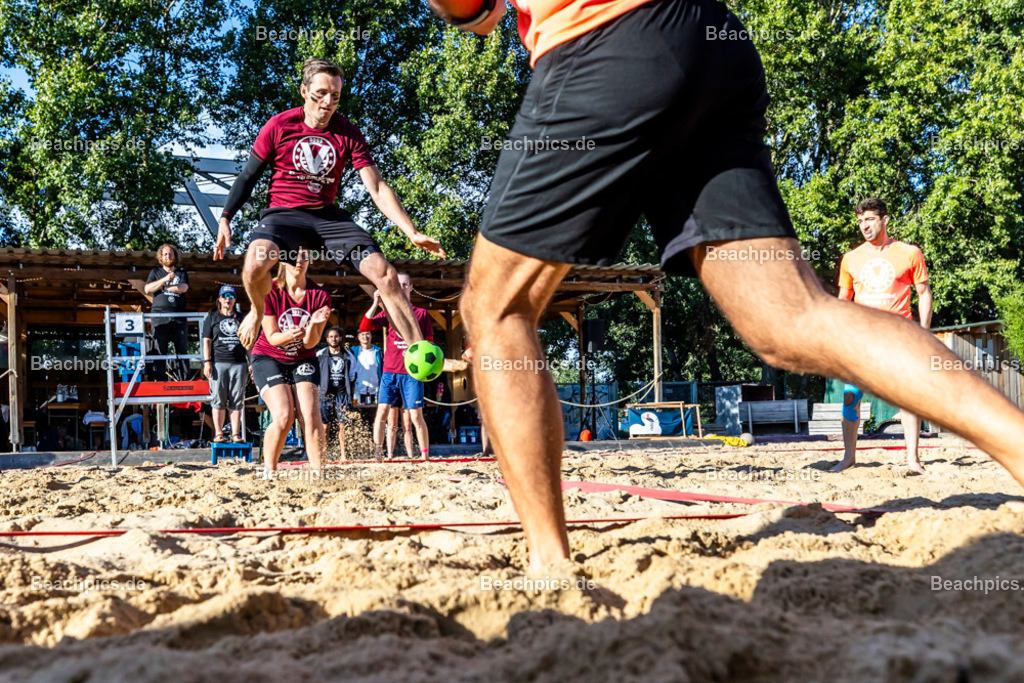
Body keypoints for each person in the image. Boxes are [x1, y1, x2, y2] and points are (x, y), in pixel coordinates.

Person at [430, 0, 1024, 574]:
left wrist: (467, 11)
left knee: (498, 308)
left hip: (602, 40)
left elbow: (464, 6)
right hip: (709, 40)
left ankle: (550, 561)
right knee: (792, 318)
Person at [212, 57, 446, 354]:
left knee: (385, 274)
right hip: (284, 215)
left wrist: (411, 232)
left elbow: (376, 186)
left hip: (327, 218)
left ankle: (419, 352)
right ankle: (258, 312)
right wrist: (225, 216)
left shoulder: (348, 132)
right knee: (255, 263)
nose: (328, 102)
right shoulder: (279, 125)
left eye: (335, 96)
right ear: (303, 91)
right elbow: (248, 176)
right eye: (320, 93)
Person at [832, 198, 932, 474]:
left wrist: (924, 332)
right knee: (851, 396)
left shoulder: (909, 253)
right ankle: (849, 457)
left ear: (884, 220)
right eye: (861, 221)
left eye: (870, 219)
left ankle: (912, 459)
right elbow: (843, 299)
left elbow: (923, 293)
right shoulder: (851, 258)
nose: (864, 225)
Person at [249, 247, 331, 477]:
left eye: (304, 256)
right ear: (283, 261)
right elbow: (273, 337)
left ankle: (318, 474)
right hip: (269, 355)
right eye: (293, 257)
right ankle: (270, 470)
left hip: (303, 357)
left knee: (311, 416)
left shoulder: (320, 296)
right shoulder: (270, 291)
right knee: (285, 416)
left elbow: (310, 344)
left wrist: (314, 324)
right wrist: (292, 334)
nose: (299, 261)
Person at [359, 274, 433, 460]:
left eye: (405, 284)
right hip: (390, 372)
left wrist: (419, 356)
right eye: (398, 285)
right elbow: (365, 326)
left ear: (411, 287)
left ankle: (425, 456)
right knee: (382, 413)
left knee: (415, 417)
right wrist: (376, 301)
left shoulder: (422, 313)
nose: (402, 287)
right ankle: (379, 454)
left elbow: (430, 344)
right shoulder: (389, 312)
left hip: (412, 374)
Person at [202, 285, 248, 443]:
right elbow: (206, 341)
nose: (227, 299)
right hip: (218, 363)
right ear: (220, 299)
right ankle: (219, 433)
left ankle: (235, 434)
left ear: (234, 299)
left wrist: (251, 362)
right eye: (224, 296)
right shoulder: (212, 317)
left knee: (237, 399)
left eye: (230, 296)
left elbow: (249, 342)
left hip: (239, 363)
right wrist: (207, 362)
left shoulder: (242, 318)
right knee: (218, 399)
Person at [144, 244, 189, 380]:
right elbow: (148, 289)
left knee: (181, 347)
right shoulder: (155, 272)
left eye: (170, 254)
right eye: (165, 254)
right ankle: (160, 380)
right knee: (159, 348)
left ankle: (184, 379)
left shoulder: (181, 272)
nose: (168, 256)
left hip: (178, 315)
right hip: (159, 316)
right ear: (161, 257)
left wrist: (164, 287)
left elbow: (184, 287)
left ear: (175, 256)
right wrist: (165, 280)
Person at [317, 325, 352, 459]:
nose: (333, 339)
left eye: (336, 336)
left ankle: (343, 455)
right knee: (325, 425)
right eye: (331, 337)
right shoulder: (320, 354)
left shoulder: (348, 355)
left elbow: (353, 373)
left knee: (342, 425)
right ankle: (324, 454)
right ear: (326, 339)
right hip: (326, 394)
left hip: (342, 393)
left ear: (340, 338)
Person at [349, 329, 383, 405]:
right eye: (362, 334)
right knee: (356, 412)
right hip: (357, 392)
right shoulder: (353, 351)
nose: (365, 337)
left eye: (368, 334)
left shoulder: (378, 351)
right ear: (358, 337)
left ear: (371, 336)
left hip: (376, 392)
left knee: (374, 413)